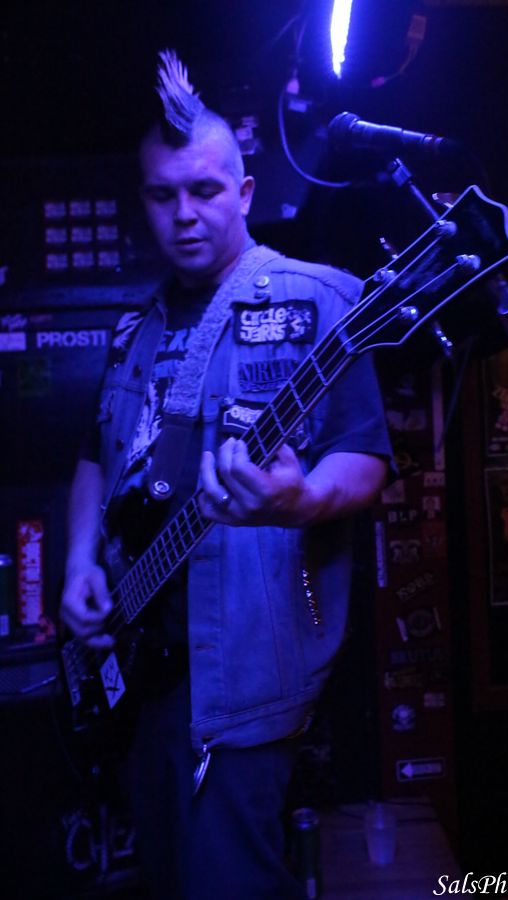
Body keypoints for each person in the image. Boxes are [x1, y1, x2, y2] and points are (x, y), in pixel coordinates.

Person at [60, 50, 390, 900]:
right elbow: (95, 455)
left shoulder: (321, 301)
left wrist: (302, 499)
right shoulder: (132, 330)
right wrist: (78, 565)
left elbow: (365, 460)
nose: (184, 215)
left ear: (243, 193)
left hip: (241, 687)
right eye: (163, 195)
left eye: (205, 191)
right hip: (141, 677)